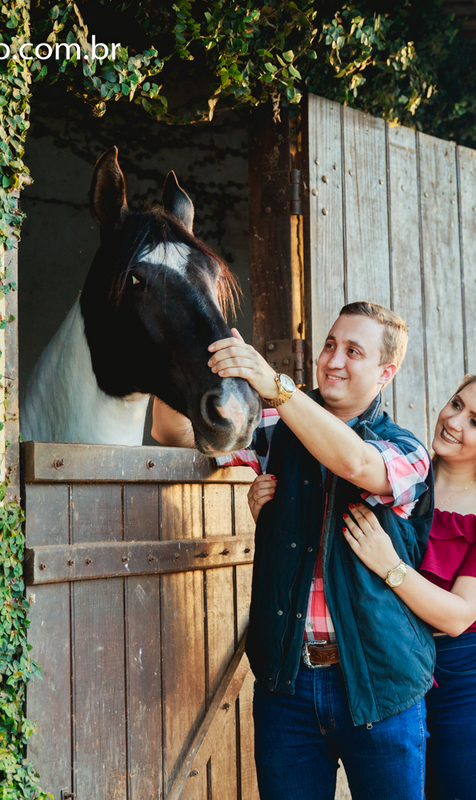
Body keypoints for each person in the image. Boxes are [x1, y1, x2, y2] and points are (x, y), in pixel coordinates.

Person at [151, 301, 434, 800]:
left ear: (386, 373)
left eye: (354, 351)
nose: (334, 360)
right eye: (330, 344)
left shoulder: (405, 449)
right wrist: (183, 351)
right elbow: (173, 434)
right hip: (289, 687)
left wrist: (274, 386)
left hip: (378, 685)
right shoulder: (272, 429)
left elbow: (353, 461)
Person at [249, 372, 476, 800]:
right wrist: (273, 515)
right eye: (456, 403)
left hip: (463, 683)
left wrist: (391, 566)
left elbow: (459, 616)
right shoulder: (397, 472)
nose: (455, 421)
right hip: (384, 666)